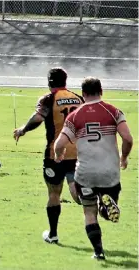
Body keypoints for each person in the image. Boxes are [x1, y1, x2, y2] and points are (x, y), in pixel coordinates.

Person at [54, 77, 133, 260]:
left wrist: (59, 156)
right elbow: (128, 139)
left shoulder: (74, 116)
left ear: (83, 94)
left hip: (85, 173)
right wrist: (124, 157)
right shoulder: (113, 111)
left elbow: (60, 144)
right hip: (109, 172)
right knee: (107, 209)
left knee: (89, 212)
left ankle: (98, 252)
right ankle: (106, 206)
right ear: (101, 91)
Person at [13, 67, 83, 244]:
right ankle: (94, 198)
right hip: (77, 152)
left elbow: (38, 118)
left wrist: (23, 130)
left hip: (55, 154)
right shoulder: (78, 98)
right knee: (75, 189)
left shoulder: (48, 99)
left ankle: (53, 235)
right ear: (65, 81)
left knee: (54, 193)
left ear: (49, 82)